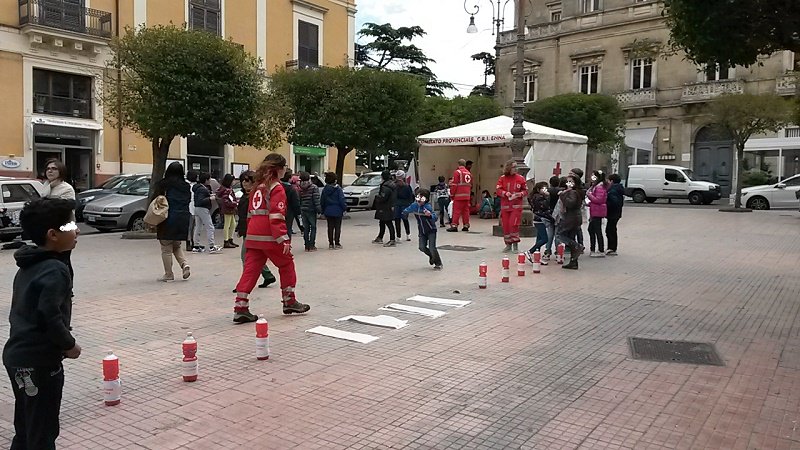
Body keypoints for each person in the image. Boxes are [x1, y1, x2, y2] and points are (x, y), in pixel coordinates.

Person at [3, 198, 81, 449]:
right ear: (53, 235)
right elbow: (49, 316)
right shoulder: (54, 270)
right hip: (40, 362)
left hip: (17, 357)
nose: (77, 229)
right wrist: (69, 345)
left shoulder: (29, 264)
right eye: (70, 225)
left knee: (26, 427)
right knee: (43, 432)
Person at [232, 153, 310, 323]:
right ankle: (289, 300)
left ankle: (241, 307)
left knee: (250, 271)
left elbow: (250, 214)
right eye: (285, 167)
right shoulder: (277, 188)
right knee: (286, 263)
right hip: (270, 237)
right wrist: (283, 239)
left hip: (253, 236)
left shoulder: (257, 187)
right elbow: (276, 216)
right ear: (279, 169)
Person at [234, 170, 276, 291]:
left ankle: (244, 283)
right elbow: (243, 215)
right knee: (256, 257)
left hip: (252, 231)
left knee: (246, 257)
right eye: (242, 180)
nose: (244, 183)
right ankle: (267, 275)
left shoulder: (255, 196)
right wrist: (239, 228)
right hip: (245, 229)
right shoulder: (245, 195)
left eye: (247, 181)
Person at [154, 162, 192, 281]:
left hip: (167, 218)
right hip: (183, 218)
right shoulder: (186, 186)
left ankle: (169, 274)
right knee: (176, 244)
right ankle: (184, 264)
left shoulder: (163, 184)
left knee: (166, 247)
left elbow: (156, 199)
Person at [41, 159, 76, 281]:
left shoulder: (66, 188)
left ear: (61, 171)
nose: (50, 171)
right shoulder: (45, 186)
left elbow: (64, 210)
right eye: (48, 168)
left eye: (54, 168)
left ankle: (68, 290)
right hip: (48, 228)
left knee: (64, 260)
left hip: (64, 228)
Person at [402, 188, 442, 270]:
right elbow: (407, 209)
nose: (419, 200)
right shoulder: (414, 206)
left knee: (432, 247)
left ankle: (438, 263)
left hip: (431, 230)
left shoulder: (428, 207)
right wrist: (404, 212)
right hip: (422, 231)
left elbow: (435, 217)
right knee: (422, 247)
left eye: (421, 198)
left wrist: (430, 215)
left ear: (426, 199)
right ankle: (431, 256)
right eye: (418, 198)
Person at [495, 160, 528, 253]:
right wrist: (506, 193)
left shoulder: (520, 178)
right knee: (506, 226)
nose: (516, 169)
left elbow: (526, 191)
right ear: (509, 168)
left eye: (516, 167)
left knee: (513, 225)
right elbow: (498, 190)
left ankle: (515, 244)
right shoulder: (502, 178)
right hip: (505, 207)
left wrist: (519, 194)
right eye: (514, 167)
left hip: (516, 207)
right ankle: (508, 244)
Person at [558, 175, 585, 270]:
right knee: (571, 236)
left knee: (560, 235)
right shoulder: (574, 192)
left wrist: (562, 196)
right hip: (575, 217)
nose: (568, 183)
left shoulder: (572, 192)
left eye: (570, 181)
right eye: (567, 181)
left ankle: (577, 246)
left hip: (571, 218)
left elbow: (570, 204)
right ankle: (573, 261)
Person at [191, 173, 222, 254]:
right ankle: (211, 246)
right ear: (206, 180)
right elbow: (201, 200)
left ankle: (196, 246)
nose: (210, 181)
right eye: (209, 179)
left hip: (197, 208)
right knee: (210, 227)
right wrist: (210, 198)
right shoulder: (203, 189)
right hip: (203, 209)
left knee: (198, 227)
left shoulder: (198, 188)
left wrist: (210, 195)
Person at [526, 181, 553, 264]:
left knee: (539, 238)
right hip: (540, 219)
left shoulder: (535, 196)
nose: (545, 190)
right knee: (545, 239)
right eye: (543, 188)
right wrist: (548, 197)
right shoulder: (538, 197)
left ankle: (536, 256)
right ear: (538, 189)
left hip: (539, 218)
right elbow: (544, 206)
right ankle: (530, 252)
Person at [320, 172, 346, 250]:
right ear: (335, 180)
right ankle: (337, 243)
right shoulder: (338, 189)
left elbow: (322, 201)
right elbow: (342, 200)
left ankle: (331, 243)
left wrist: (322, 211)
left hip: (328, 210)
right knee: (337, 227)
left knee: (330, 227)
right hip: (338, 210)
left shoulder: (325, 189)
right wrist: (344, 208)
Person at [586, 170, 608, 257]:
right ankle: (594, 249)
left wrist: (589, 195)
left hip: (597, 211)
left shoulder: (599, 187)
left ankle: (600, 250)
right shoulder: (596, 186)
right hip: (594, 210)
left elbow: (599, 200)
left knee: (596, 230)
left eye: (593, 176)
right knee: (592, 229)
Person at [372, 170, 397, 247]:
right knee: (382, 222)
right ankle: (380, 237)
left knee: (388, 222)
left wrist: (377, 197)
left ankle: (392, 239)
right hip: (389, 206)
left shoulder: (385, 186)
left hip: (385, 207)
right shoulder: (392, 184)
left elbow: (383, 197)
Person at [298, 171, 321, 251]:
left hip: (303, 210)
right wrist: (319, 210)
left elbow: (299, 200)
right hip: (311, 210)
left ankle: (306, 245)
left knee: (306, 228)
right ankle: (312, 245)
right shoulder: (314, 187)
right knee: (313, 227)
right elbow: (316, 199)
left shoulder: (299, 188)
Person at [448, 159, 472, 232]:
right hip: (467, 195)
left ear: (458, 164)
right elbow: (471, 185)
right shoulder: (469, 173)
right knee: (466, 211)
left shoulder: (457, 172)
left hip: (459, 195)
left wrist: (452, 194)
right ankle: (466, 225)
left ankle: (454, 225)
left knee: (456, 211)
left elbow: (454, 185)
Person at [217, 174, 239, 249]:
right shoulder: (226, 190)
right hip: (228, 209)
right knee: (227, 225)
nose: (234, 182)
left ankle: (230, 239)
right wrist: (234, 204)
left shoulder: (227, 189)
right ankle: (226, 241)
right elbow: (226, 201)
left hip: (230, 209)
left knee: (233, 224)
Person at [605, 173, 624, 256]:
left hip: (613, 213)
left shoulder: (613, 190)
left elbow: (614, 202)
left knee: (610, 230)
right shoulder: (618, 188)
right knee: (611, 229)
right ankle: (612, 247)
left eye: (608, 180)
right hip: (616, 212)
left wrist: (606, 203)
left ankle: (612, 248)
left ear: (612, 181)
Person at [281, 169, 303, 237]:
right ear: (289, 179)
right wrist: (298, 212)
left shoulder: (278, 187)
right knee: (288, 228)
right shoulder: (291, 189)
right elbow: (296, 202)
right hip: (289, 212)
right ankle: (287, 244)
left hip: (279, 210)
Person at [393, 170, 414, 242]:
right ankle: (404, 235)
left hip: (400, 204)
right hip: (402, 204)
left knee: (400, 219)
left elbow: (410, 196)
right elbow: (410, 196)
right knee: (402, 219)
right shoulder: (405, 186)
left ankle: (402, 235)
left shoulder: (397, 186)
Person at [186, 171, 198, 252]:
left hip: (195, 207)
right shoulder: (187, 185)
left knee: (194, 226)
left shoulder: (195, 185)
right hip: (190, 207)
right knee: (190, 226)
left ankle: (193, 240)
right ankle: (188, 241)